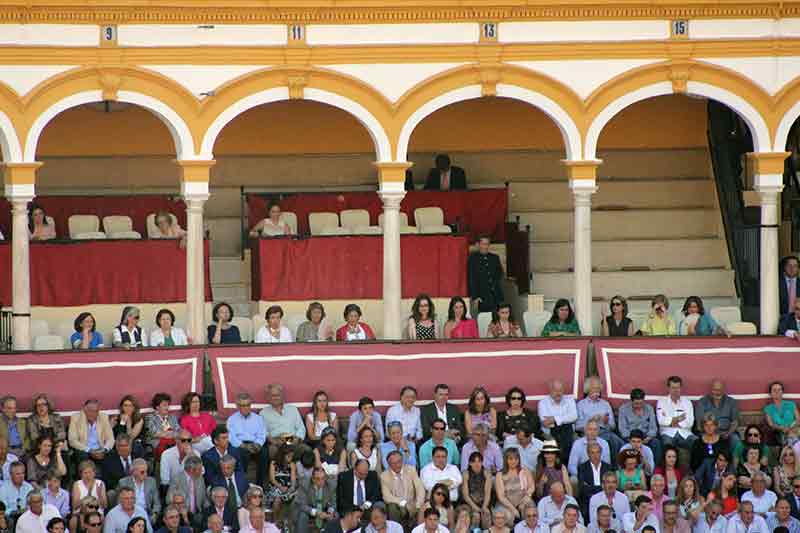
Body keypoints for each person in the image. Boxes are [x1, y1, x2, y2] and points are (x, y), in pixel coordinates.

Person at [227, 392, 268, 486]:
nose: (246, 407)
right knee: (242, 454)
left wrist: (258, 444)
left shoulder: (258, 418)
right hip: (240, 445)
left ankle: (260, 485)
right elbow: (231, 437)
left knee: (264, 453)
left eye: (248, 405)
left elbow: (262, 434)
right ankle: (242, 484)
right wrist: (243, 446)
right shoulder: (232, 419)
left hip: (255, 444)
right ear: (237, 406)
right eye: (242, 405)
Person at [578, 378, 624, 456]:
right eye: (594, 389)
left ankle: (615, 466)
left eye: (598, 390)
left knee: (619, 442)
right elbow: (577, 426)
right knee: (611, 439)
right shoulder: (581, 405)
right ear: (588, 389)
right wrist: (591, 420)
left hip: (604, 431)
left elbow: (612, 426)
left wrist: (606, 422)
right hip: (588, 433)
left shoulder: (605, 404)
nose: (597, 393)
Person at [379, 450, 425, 527]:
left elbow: (420, 488)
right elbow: (386, 496)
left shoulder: (411, 470)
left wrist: (418, 505)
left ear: (403, 461)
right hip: (397, 505)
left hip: (413, 503)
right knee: (392, 507)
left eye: (399, 462)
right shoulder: (384, 476)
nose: (397, 465)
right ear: (388, 464)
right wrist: (404, 503)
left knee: (423, 507)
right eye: (393, 463)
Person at [261, 383, 307, 457]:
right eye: (272, 395)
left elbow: (301, 428)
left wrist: (297, 439)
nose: (275, 398)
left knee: (306, 450)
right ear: (268, 397)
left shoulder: (293, 409)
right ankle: (277, 468)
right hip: (277, 441)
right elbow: (264, 432)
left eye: (277, 395)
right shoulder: (263, 413)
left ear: (282, 396)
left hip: (292, 439)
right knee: (273, 450)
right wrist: (274, 441)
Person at [539, 380, 578, 464]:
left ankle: (564, 466)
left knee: (566, 430)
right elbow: (545, 423)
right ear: (550, 391)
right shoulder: (543, 403)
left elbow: (574, 417)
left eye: (560, 391)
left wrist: (554, 419)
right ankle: (562, 466)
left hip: (567, 431)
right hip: (550, 433)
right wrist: (564, 419)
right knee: (562, 434)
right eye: (555, 391)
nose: (558, 393)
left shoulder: (570, 400)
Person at [690, 415, 730, 496]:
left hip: (719, 474)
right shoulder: (697, 443)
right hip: (702, 477)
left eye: (712, 425)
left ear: (716, 426)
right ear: (703, 427)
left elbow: (727, 459)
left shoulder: (723, 442)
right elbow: (693, 464)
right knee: (706, 463)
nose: (709, 427)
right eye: (706, 425)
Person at [68, 399, 115, 468]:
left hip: (100, 449)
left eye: (95, 411)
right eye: (90, 411)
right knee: (81, 455)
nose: (92, 413)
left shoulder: (103, 417)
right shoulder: (76, 418)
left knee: (112, 454)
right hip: (85, 449)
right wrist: (90, 450)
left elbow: (111, 439)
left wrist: (105, 449)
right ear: (84, 410)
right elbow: (72, 440)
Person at [694, 381, 740, 451]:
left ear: (723, 390)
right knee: (700, 440)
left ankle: (733, 461)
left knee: (735, 439)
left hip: (726, 433)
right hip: (708, 432)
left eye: (719, 390)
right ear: (711, 389)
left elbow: (735, 422)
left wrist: (728, 433)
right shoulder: (702, 402)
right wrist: (710, 433)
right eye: (714, 390)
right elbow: (699, 423)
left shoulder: (731, 402)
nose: (716, 392)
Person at [619, 389, 661, 463]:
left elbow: (653, 428)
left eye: (641, 403)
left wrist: (647, 438)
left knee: (656, 443)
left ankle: (655, 469)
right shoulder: (623, 409)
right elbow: (623, 429)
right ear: (631, 401)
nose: (639, 406)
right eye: (636, 404)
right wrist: (634, 441)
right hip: (630, 437)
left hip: (646, 437)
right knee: (623, 445)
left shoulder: (649, 408)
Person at [494, 448, 535, 523]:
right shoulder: (500, 474)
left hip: (523, 500)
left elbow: (531, 487)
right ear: (506, 460)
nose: (513, 461)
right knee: (508, 516)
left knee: (530, 512)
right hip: (506, 504)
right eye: (510, 459)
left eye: (516, 459)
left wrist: (527, 497)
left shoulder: (525, 471)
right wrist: (513, 509)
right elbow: (501, 496)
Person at [167, 456, 207, 531]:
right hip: (182, 514)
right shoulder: (177, 479)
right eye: (200, 469)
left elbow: (204, 498)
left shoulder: (200, 478)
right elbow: (169, 499)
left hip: (198, 513)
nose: (202, 471)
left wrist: (210, 510)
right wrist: (181, 509)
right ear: (191, 470)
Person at [468, 236, 505, 316]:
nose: (485, 246)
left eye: (487, 244)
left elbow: (500, 273)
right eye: (483, 244)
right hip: (482, 296)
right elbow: (472, 278)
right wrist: (475, 296)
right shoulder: (473, 258)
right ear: (478, 245)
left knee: (497, 318)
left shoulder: (494, 257)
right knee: (484, 319)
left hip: (496, 295)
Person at [657, 376, 697, 450]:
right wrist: (679, 419)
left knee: (697, 443)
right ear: (668, 388)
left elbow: (690, 422)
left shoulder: (687, 402)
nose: (676, 390)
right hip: (667, 433)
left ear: (681, 388)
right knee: (667, 445)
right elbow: (661, 421)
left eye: (678, 388)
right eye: (673, 388)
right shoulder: (662, 402)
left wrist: (671, 422)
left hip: (685, 433)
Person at [294, 466, 337, 533]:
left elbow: (334, 502)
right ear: (313, 479)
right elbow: (301, 504)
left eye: (323, 478)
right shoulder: (304, 484)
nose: (321, 481)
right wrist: (316, 512)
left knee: (336, 514)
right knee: (302, 515)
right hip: (310, 509)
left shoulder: (331, 484)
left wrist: (330, 512)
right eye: (318, 479)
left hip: (324, 508)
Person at [118, 459, 160, 525]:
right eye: (142, 472)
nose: (146, 474)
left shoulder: (151, 481)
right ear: (134, 472)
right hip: (129, 512)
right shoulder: (123, 483)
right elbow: (119, 503)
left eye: (147, 471)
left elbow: (157, 503)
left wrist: (155, 514)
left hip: (147, 513)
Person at [578, 445, 614, 520]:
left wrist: (591, 487)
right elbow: (583, 489)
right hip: (589, 497)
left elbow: (610, 486)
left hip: (605, 497)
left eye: (597, 452)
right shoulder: (582, 467)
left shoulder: (608, 467)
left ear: (601, 453)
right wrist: (602, 487)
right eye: (592, 453)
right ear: (588, 454)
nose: (595, 455)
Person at [266, 444, 297, 528]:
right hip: (276, 487)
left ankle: (290, 522)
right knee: (277, 499)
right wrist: (280, 487)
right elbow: (272, 479)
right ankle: (275, 521)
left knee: (296, 496)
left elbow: (293, 480)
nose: (290, 458)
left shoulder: (292, 464)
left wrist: (292, 487)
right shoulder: (273, 463)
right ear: (282, 455)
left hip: (288, 488)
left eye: (291, 456)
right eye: (288, 456)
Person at [462, 451, 492, 529]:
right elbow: (466, 495)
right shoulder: (466, 474)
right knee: (476, 515)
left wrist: (484, 506)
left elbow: (487, 493)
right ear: (469, 463)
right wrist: (475, 507)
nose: (477, 464)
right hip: (470, 503)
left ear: (482, 462)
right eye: (474, 462)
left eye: (479, 461)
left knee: (486, 514)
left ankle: (487, 531)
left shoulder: (487, 473)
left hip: (484, 502)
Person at [764, 381, 800, 446]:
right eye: (774, 390)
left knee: (793, 437)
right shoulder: (768, 408)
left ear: (782, 392)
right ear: (770, 393)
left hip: (795, 430)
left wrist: (790, 428)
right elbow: (771, 424)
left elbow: (798, 419)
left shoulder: (791, 404)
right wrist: (782, 428)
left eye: (779, 389)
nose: (777, 392)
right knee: (789, 440)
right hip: (780, 432)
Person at [147, 393, 181, 460]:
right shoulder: (150, 417)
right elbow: (154, 433)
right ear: (157, 407)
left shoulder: (172, 417)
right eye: (165, 405)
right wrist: (171, 433)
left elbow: (178, 432)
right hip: (157, 445)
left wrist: (165, 433)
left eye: (168, 405)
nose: (167, 407)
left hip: (173, 444)